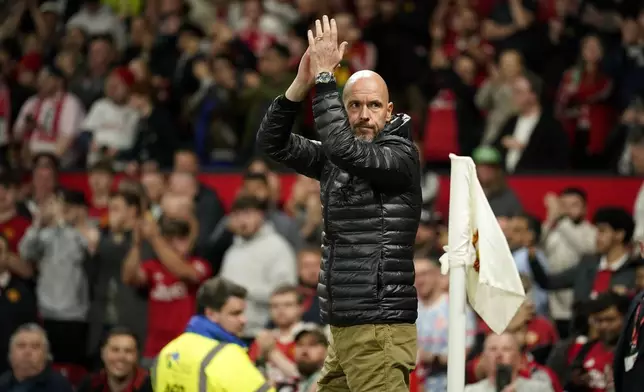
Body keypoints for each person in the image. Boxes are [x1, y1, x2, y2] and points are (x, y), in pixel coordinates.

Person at [257, 15, 420, 392]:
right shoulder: (336, 155)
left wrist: (328, 78)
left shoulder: (401, 156)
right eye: (355, 106)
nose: (364, 115)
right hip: (345, 326)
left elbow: (346, 151)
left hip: (378, 326)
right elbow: (273, 144)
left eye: (374, 106)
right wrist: (301, 85)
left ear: (390, 111)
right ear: (343, 112)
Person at [152, 277, 273, 392]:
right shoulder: (226, 355)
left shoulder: (167, 351)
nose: (243, 320)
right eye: (235, 313)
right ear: (211, 314)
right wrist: (261, 363)